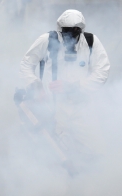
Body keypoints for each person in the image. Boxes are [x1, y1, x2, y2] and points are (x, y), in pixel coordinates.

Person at [18, 9, 110, 158]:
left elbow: (102, 72)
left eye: (75, 32)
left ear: (81, 30)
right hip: (53, 108)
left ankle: (90, 178)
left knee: (97, 150)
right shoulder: (46, 40)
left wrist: (75, 87)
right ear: (60, 30)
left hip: (81, 108)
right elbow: (26, 65)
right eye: (67, 32)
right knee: (56, 153)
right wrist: (36, 87)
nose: (70, 36)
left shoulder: (90, 42)